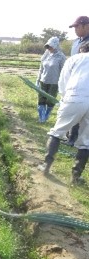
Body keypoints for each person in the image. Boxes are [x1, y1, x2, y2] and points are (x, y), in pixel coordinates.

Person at [37, 41, 89, 185]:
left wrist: (65, 98)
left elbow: (63, 82)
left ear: (81, 50)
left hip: (74, 97)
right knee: (86, 141)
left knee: (57, 132)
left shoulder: (74, 59)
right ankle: (75, 177)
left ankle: (45, 166)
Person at [64, 16, 89, 146]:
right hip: (73, 79)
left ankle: (77, 139)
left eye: (77, 27)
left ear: (85, 25)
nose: (75, 30)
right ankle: (70, 136)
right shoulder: (76, 42)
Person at [35, 37, 66, 123]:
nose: (49, 48)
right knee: (41, 99)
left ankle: (46, 115)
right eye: (48, 46)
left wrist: (63, 84)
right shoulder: (46, 55)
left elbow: (64, 71)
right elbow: (41, 69)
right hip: (43, 80)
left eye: (51, 46)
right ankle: (41, 117)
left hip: (54, 83)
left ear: (56, 46)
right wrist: (38, 80)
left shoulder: (61, 57)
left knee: (50, 100)